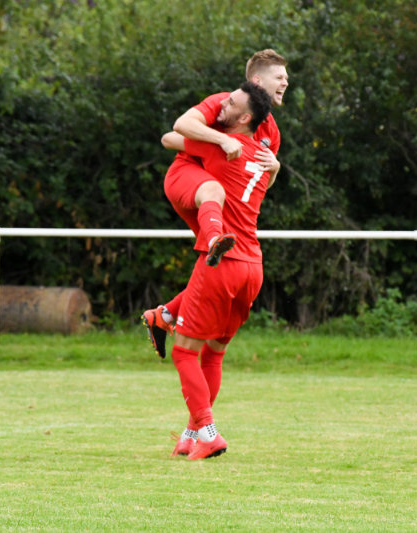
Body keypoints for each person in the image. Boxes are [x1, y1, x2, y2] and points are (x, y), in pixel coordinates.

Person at [142, 49, 288, 359]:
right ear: (257, 80)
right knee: (213, 192)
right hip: (190, 177)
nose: (285, 82)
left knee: (224, 266)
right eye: (279, 77)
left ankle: (164, 315)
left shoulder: (271, 131)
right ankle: (212, 244)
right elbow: (177, 128)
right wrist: (221, 140)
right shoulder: (226, 102)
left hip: (219, 202)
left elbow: (257, 185)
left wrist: (275, 170)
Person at [159, 81, 273, 459]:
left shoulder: (221, 146)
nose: (222, 103)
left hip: (223, 262)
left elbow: (171, 137)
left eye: (231, 102)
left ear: (244, 118)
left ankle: (208, 432)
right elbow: (267, 175)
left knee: (184, 352)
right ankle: (191, 435)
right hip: (253, 266)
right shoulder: (263, 157)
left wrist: (216, 138)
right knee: (214, 354)